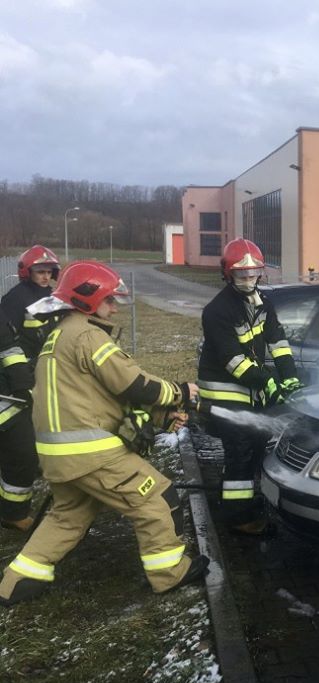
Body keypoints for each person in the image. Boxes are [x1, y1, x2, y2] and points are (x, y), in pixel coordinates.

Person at [0, 261, 207, 606]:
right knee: (157, 498)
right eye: (109, 300)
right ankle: (170, 573)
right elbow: (132, 383)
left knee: (68, 517)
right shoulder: (87, 335)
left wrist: (160, 416)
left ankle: (16, 582)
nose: (114, 308)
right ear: (87, 299)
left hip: (58, 453)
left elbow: (100, 396)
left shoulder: (59, 336)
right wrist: (179, 392)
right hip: (89, 451)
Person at [198, 238, 302, 535]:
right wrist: (267, 381)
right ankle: (238, 517)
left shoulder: (262, 303)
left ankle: (246, 498)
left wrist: (289, 375)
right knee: (241, 452)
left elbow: (278, 342)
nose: (248, 280)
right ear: (228, 274)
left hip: (248, 390)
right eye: (241, 275)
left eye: (253, 274)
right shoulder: (217, 311)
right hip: (223, 392)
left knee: (256, 444)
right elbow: (233, 360)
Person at [0, 306, 38, 532]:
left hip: (7, 399)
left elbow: (9, 348)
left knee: (22, 452)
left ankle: (14, 514)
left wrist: (22, 384)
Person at [0, 245, 61, 363]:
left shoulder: (53, 295)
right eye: (40, 272)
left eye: (49, 272)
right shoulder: (15, 297)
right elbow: (6, 338)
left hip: (49, 359)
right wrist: (20, 368)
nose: (46, 277)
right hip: (26, 362)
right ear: (28, 272)